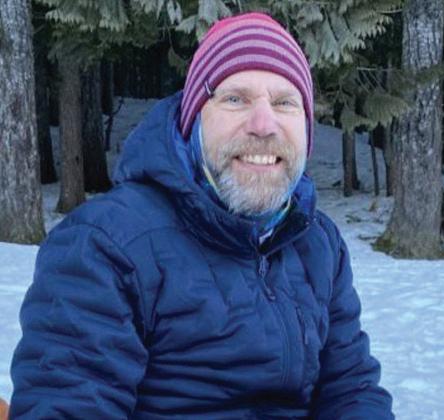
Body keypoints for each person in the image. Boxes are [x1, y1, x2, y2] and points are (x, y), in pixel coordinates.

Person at [10, 12, 393, 419]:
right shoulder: (105, 243)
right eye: (235, 99)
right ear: (192, 120)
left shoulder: (317, 242)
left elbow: (352, 389)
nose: (264, 124)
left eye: (285, 102)